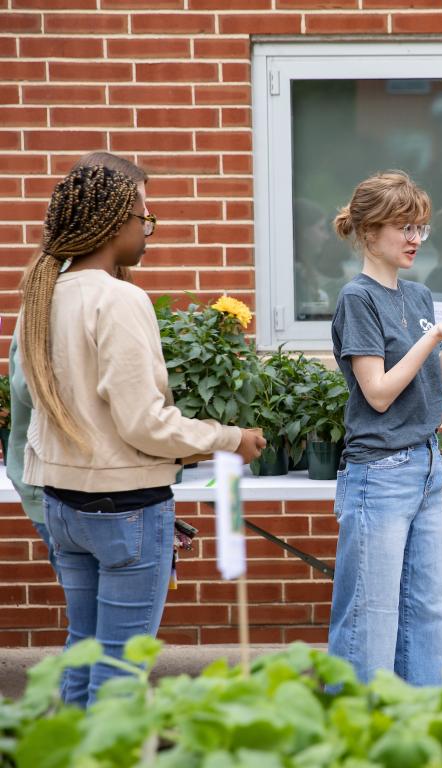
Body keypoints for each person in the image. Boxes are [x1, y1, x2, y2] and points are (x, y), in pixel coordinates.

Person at [19, 161, 266, 706]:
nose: (148, 231)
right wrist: (230, 438)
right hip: (126, 509)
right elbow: (144, 423)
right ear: (113, 224)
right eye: (144, 218)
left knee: (83, 651)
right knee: (120, 669)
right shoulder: (119, 299)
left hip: (63, 505)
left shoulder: (44, 297)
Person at [328, 171, 442, 685]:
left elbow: (432, 383)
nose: (414, 239)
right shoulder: (357, 298)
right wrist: (434, 339)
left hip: (427, 466)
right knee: (370, 617)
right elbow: (379, 393)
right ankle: (356, 735)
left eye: (420, 229)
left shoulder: (419, 296)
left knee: (427, 614)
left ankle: (420, 731)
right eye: (403, 227)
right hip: (379, 472)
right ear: (368, 232)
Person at [9, 152, 147, 571]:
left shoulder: (104, 288)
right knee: (108, 632)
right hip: (67, 491)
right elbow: (27, 388)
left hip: (93, 491)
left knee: (91, 630)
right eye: (139, 212)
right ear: (106, 217)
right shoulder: (52, 294)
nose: (146, 225)